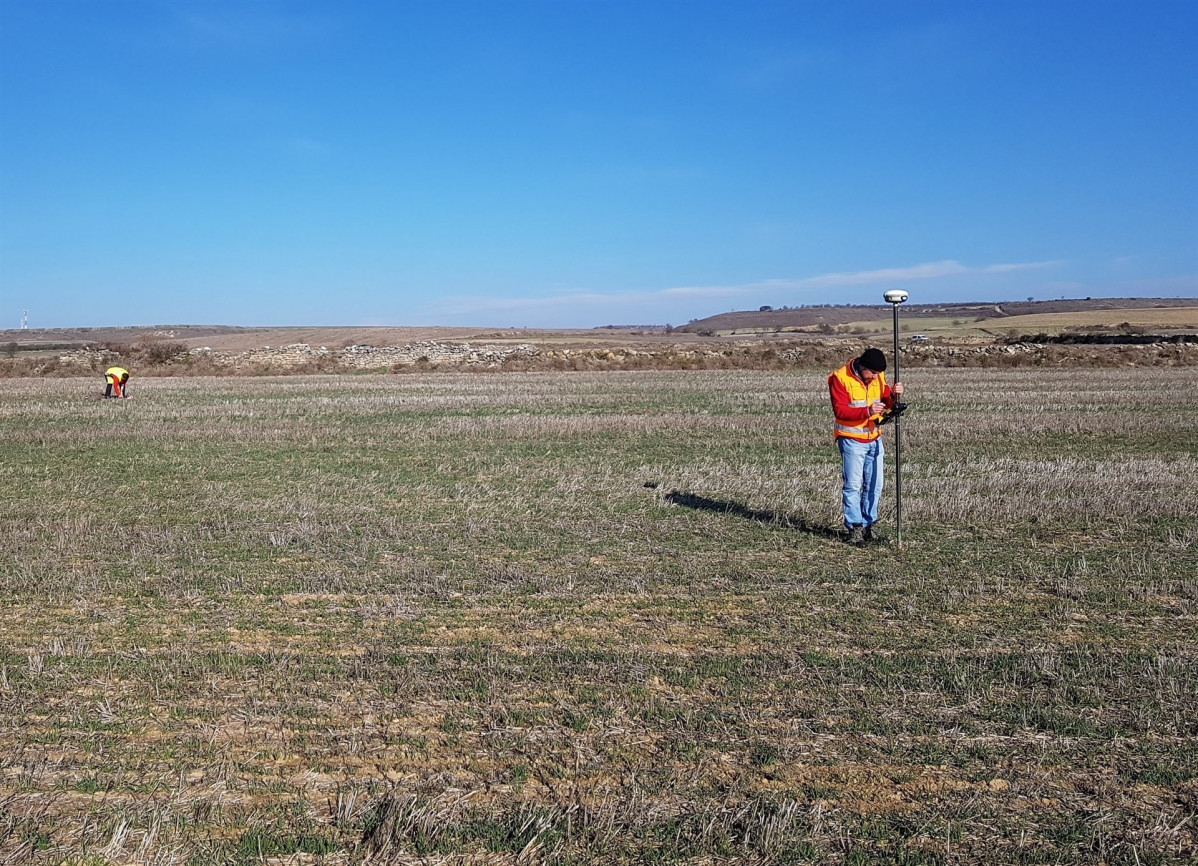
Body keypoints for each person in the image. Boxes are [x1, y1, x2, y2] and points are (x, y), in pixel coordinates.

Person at [828, 348, 904, 544]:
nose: (876, 377)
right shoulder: (840, 378)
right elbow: (840, 411)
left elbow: (887, 400)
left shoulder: (878, 377)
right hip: (851, 440)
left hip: (875, 438)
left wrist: (896, 396)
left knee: (875, 485)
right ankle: (854, 528)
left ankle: (870, 526)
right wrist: (867, 411)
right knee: (853, 486)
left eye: (878, 374)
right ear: (863, 367)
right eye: (873, 373)